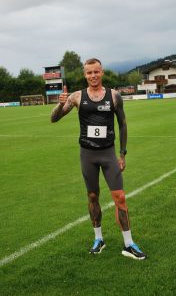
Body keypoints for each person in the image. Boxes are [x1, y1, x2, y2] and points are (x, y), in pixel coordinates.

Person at [51, 58, 147, 260]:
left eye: (96, 72)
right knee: (92, 197)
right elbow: (54, 118)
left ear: (102, 72)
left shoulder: (114, 96)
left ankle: (129, 244)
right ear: (85, 75)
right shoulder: (77, 97)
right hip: (87, 155)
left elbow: (122, 124)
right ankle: (98, 239)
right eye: (89, 73)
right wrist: (60, 105)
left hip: (108, 153)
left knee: (120, 197)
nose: (93, 76)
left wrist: (122, 153)